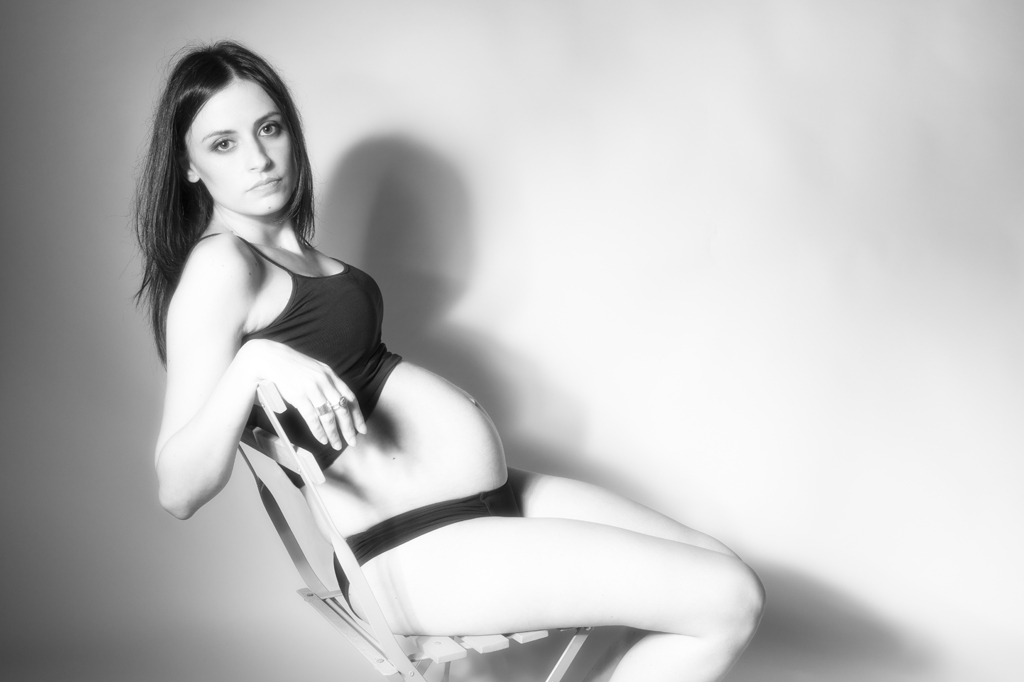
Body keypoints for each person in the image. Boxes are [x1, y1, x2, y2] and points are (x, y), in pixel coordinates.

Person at [134, 40, 764, 682]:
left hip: (490, 502)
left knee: (726, 572)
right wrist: (254, 363)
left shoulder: (297, 255)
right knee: (726, 600)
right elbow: (177, 489)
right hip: (412, 549)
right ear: (189, 166)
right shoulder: (222, 266)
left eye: (269, 129)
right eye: (223, 144)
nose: (259, 158)